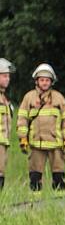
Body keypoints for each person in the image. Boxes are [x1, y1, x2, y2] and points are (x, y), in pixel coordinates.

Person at [16, 63, 65, 191]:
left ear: (51, 82)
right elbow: (22, 119)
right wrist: (23, 139)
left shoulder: (58, 98)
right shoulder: (29, 98)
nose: (45, 83)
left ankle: (61, 204)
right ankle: (34, 206)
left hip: (56, 145)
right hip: (36, 145)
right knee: (35, 178)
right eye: (42, 80)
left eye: (47, 80)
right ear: (37, 81)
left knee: (59, 178)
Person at [0, 58, 13, 191]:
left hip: (3, 142)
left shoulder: (3, 98)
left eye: (8, 76)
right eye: (4, 76)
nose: (7, 79)